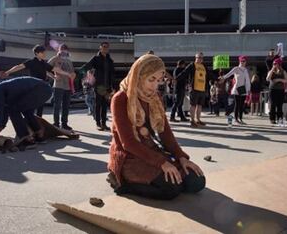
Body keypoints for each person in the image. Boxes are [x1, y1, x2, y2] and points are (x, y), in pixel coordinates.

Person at [106, 54, 205, 200]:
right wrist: (162, 163)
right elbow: (128, 143)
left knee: (196, 181)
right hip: (130, 157)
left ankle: (160, 181)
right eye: (151, 79)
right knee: (172, 189)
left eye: (159, 80)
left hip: (151, 150)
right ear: (139, 76)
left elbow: (164, 132)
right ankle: (123, 183)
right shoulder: (121, 98)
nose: (155, 86)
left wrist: (181, 157)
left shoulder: (154, 97)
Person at [0, 77, 60, 152]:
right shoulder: (1, 93)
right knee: (25, 110)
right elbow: (3, 119)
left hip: (41, 89)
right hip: (45, 90)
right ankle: (39, 135)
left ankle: (26, 139)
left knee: (14, 110)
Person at [5, 45, 54, 117]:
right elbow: (19, 66)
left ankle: (39, 121)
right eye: (42, 52)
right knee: (32, 105)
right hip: (33, 87)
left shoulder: (44, 63)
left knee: (40, 106)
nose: (44, 54)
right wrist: (8, 72)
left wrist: (53, 76)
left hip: (42, 87)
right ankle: (29, 120)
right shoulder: (31, 62)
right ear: (37, 53)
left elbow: (46, 72)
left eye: (44, 52)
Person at [79, 42, 115, 131]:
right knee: (98, 104)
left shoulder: (110, 60)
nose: (105, 48)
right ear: (100, 48)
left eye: (107, 47)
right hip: (99, 86)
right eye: (104, 47)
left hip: (107, 87)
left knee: (104, 105)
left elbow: (112, 74)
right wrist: (82, 73)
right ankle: (98, 123)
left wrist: (113, 87)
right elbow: (86, 67)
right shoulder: (96, 58)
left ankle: (104, 124)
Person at [48, 44, 76, 130]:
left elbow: (73, 73)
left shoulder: (69, 61)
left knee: (66, 106)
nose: (63, 51)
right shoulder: (54, 59)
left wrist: (73, 76)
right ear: (59, 50)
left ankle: (64, 124)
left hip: (68, 86)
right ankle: (56, 124)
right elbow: (45, 69)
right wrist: (53, 77)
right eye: (62, 49)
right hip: (58, 86)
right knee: (57, 106)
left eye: (65, 49)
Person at [176, 52, 208, 127]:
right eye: (198, 57)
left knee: (200, 105)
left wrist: (217, 79)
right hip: (194, 88)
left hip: (202, 89)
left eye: (201, 57)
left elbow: (209, 74)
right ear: (195, 57)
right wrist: (176, 79)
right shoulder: (192, 65)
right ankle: (192, 120)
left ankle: (198, 120)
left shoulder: (204, 66)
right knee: (193, 105)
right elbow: (184, 72)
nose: (199, 59)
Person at [220, 55, 251, 125]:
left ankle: (240, 119)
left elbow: (248, 81)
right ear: (239, 61)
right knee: (237, 104)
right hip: (237, 88)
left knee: (242, 105)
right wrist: (223, 77)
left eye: (244, 61)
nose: (243, 62)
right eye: (242, 61)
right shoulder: (236, 68)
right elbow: (229, 74)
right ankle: (236, 119)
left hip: (243, 89)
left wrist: (248, 89)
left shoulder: (245, 70)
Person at [267, 58, 287, 125]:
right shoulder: (271, 71)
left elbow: (286, 80)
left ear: (279, 64)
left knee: (279, 105)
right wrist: (272, 69)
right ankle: (272, 119)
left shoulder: (283, 71)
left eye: (276, 64)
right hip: (272, 90)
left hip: (280, 90)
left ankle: (280, 119)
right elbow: (267, 79)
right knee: (273, 104)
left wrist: (279, 80)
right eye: (273, 64)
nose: (274, 65)